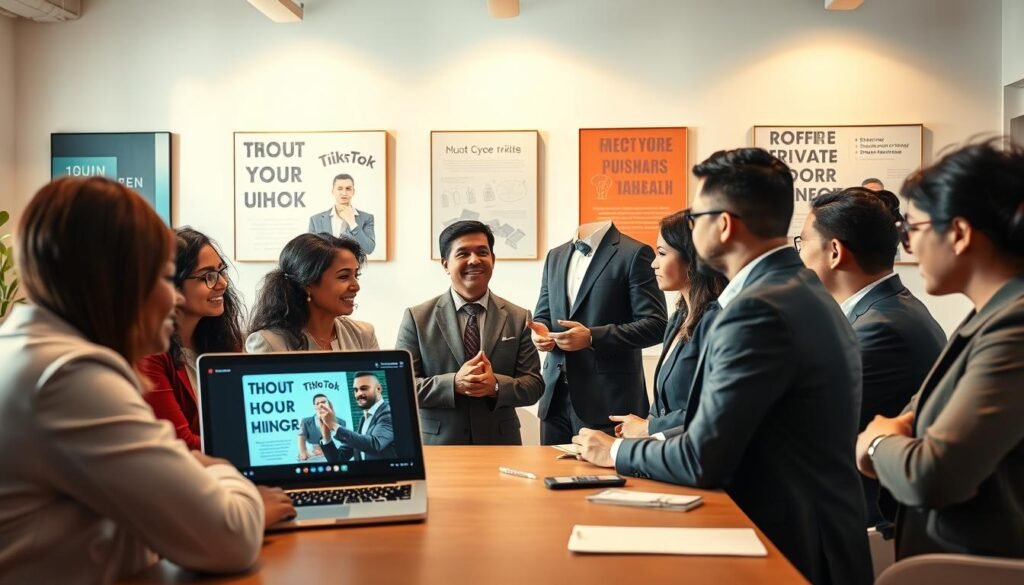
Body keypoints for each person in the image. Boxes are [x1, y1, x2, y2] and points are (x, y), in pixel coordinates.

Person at [574, 148, 872, 585]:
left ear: (724, 225)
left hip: (789, 548)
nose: (691, 228)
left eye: (696, 217)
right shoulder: (798, 288)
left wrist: (613, 452)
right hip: (817, 536)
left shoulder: (757, 309)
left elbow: (702, 457)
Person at [0, 177, 294, 584]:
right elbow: (230, 538)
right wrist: (226, 475)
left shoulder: (27, 351)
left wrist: (193, 466)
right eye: (163, 278)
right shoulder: (69, 377)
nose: (173, 299)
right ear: (119, 283)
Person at [856, 140, 1024, 560]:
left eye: (911, 230)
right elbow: (914, 418)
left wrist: (876, 443)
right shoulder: (987, 315)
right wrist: (896, 434)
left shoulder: (1013, 327)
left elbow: (933, 476)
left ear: (960, 234)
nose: (908, 247)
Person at [797, 187, 946, 526]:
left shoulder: (881, 329)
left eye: (802, 243)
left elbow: (809, 428)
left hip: (862, 517)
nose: (799, 257)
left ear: (835, 252)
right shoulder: (888, 310)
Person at [396, 220, 543, 445]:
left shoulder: (519, 317)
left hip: (501, 444)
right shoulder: (417, 318)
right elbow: (401, 387)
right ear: (445, 264)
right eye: (463, 253)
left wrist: (495, 385)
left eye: (482, 252)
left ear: (493, 260)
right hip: (439, 446)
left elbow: (534, 385)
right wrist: (453, 384)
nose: (474, 260)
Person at [532, 220, 667, 445]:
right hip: (554, 399)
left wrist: (592, 337)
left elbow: (656, 324)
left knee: (604, 469)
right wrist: (540, 332)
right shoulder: (555, 255)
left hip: (608, 401)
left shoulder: (634, 253)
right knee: (548, 466)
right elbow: (543, 314)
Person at [607, 211, 727, 439]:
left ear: (693, 258)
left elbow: (712, 409)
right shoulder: (678, 318)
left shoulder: (716, 320)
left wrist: (648, 428)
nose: (654, 263)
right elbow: (664, 406)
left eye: (662, 253)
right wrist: (642, 428)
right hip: (668, 447)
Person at [138, 228, 244, 451]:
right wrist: (249, 449)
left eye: (221, 271)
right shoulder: (150, 354)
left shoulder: (225, 342)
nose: (222, 283)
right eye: (207, 276)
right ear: (171, 284)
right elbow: (180, 443)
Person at [247, 233, 378, 352]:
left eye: (356, 275)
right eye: (343, 276)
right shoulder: (268, 343)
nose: (356, 286)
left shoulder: (363, 335)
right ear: (308, 283)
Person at [319, 372, 397, 461]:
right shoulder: (364, 419)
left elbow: (375, 444)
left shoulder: (389, 413)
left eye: (364, 388)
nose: (358, 394)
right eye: (356, 390)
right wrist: (326, 437)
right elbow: (338, 458)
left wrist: (333, 425)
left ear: (378, 389)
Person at [308, 173, 376, 254]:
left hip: (352, 262)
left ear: (353, 191)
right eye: (340, 188)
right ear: (333, 191)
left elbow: (369, 249)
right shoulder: (316, 220)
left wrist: (352, 223)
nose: (344, 193)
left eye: (348, 189)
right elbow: (310, 250)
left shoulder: (367, 218)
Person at [297, 394, 338, 462]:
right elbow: (301, 440)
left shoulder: (341, 422)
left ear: (329, 404)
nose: (320, 405)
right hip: (315, 460)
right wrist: (303, 453)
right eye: (317, 403)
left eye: (323, 402)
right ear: (314, 406)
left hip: (334, 459)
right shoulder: (305, 422)